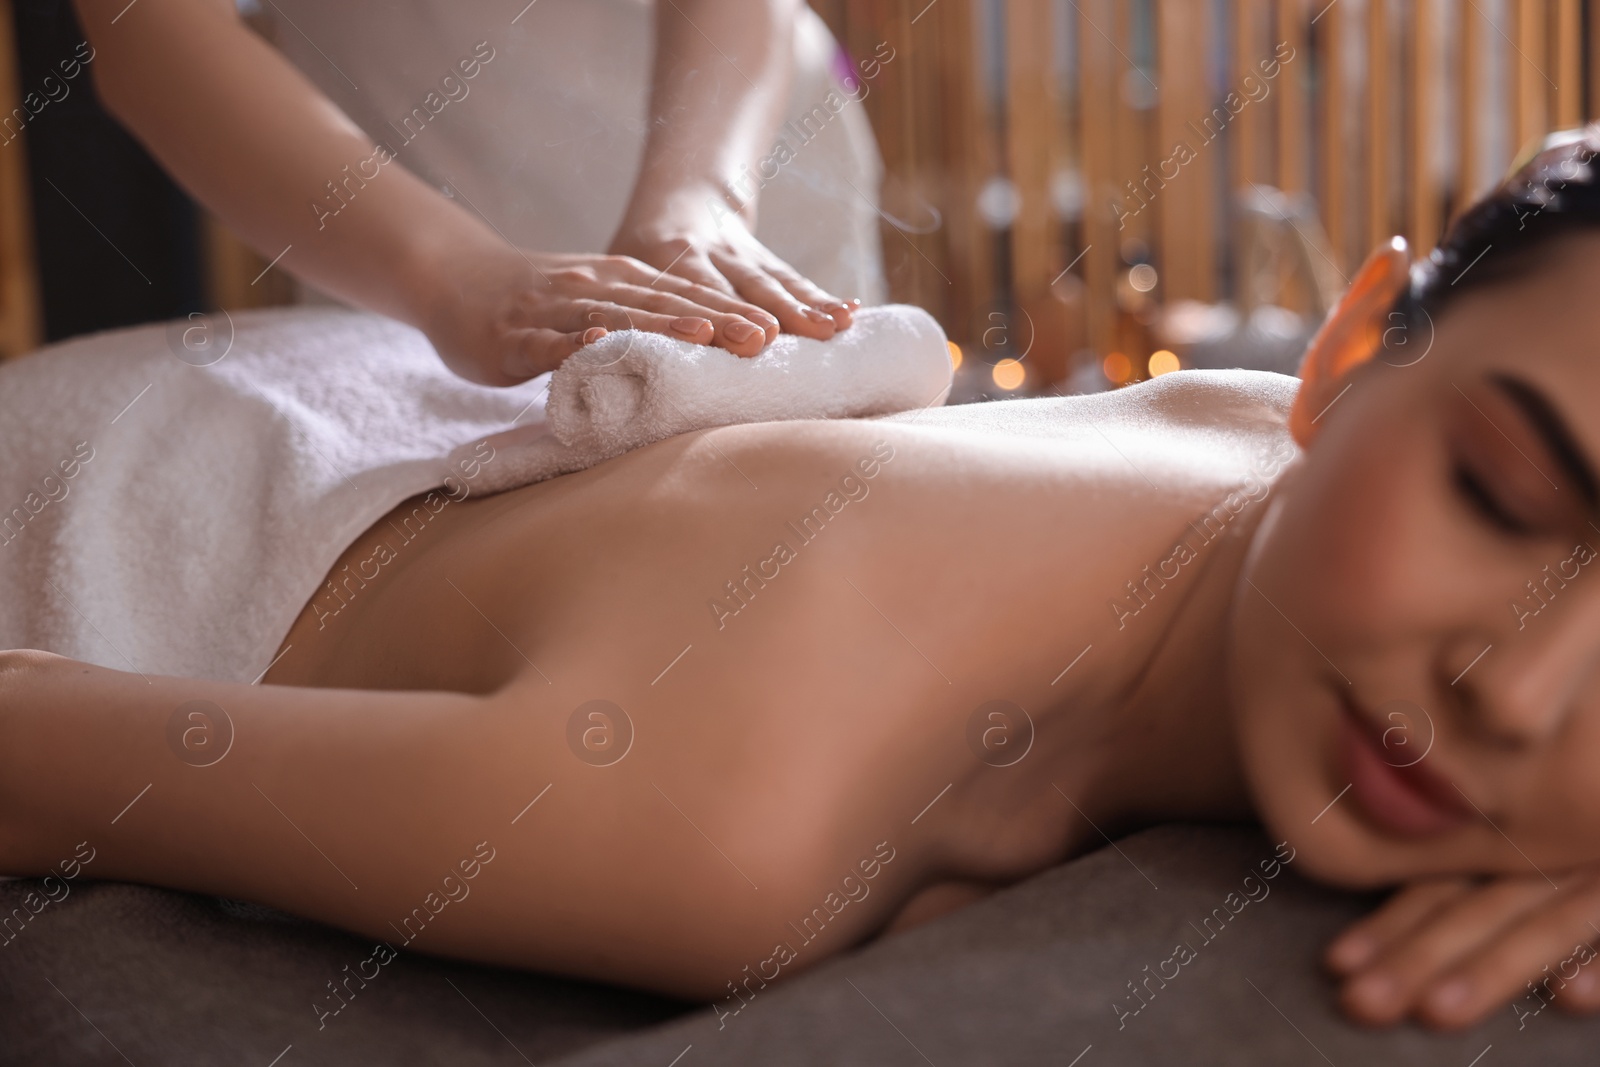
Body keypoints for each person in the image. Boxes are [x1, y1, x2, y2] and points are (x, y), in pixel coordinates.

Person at [6, 133, 1600, 1035]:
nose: (1521, 691)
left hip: (392, 406)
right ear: (1337, 356)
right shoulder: (734, 813)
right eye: (1501, 494)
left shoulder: (1280, 455)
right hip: (138, 492)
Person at [71, 0, 884, 384]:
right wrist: (450, 273)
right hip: (399, 248)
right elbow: (148, 31)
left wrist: (700, 203)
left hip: (740, 178)